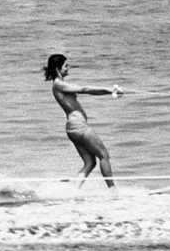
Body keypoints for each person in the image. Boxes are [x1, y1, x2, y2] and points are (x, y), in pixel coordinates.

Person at [45, 53, 123, 188]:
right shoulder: (58, 85)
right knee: (104, 155)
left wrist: (110, 91)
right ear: (58, 69)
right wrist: (110, 90)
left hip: (73, 128)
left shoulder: (59, 84)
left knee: (90, 162)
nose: (68, 68)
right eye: (65, 66)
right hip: (79, 126)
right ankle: (113, 190)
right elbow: (85, 89)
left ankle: (74, 189)